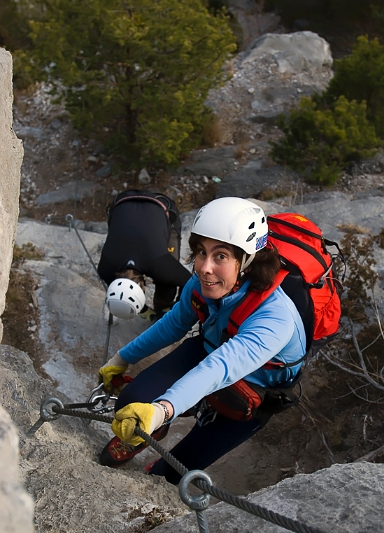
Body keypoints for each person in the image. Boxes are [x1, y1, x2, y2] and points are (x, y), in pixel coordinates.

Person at [97, 197, 306, 481]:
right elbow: (173, 324)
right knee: (131, 401)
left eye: (220, 256)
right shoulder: (204, 282)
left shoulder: (275, 318)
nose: (204, 268)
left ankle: (158, 433)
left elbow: (220, 368)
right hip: (210, 349)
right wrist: (121, 359)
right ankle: (151, 430)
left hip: (255, 389)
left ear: (247, 260)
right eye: (200, 252)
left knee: (171, 471)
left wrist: (161, 410)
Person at [97, 189, 191, 321]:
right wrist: (144, 311)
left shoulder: (159, 262)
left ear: (143, 289)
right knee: (167, 274)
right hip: (123, 202)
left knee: (167, 280)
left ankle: (163, 308)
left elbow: (190, 283)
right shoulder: (105, 268)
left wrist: (176, 309)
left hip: (161, 205)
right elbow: (120, 295)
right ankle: (162, 310)